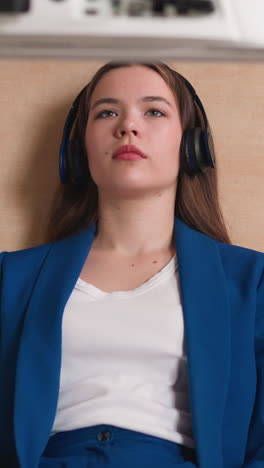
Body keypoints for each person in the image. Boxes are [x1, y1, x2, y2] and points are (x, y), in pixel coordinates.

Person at [0, 61, 263, 468]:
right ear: (78, 149)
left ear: (192, 145)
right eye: (107, 112)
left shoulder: (251, 281)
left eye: (153, 111)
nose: (128, 127)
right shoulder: (10, 278)